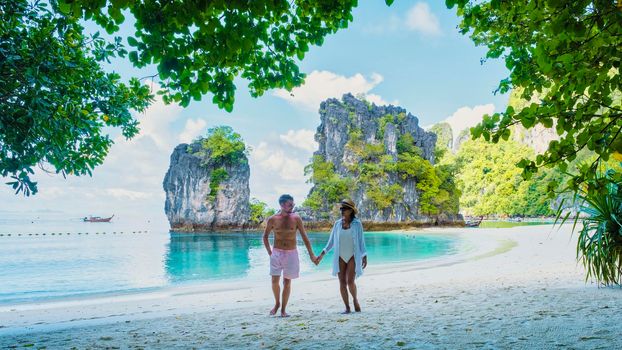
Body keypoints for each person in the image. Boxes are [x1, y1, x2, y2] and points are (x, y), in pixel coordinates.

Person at [263, 194, 317, 317]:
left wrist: (312, 255)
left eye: (293, 204)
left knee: (287, 282)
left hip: (291, 253)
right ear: (282, 205)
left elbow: (305, 237)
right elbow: (265, 237)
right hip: (276, 253)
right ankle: (277, 303)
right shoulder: (273, 219)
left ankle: (283, 309)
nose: (292, 207)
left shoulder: (296, 218)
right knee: (274, 280)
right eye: (290, 205)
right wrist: (270, 253)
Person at [315, 199, 367, 313]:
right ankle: (347, 307)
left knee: (350, 281)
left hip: (353, 255)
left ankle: (355, 300)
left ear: (351, 210)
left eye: (345, 209)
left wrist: (364, 255)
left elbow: (361, 241)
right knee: (342, 282)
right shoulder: (337, 224)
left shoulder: (357, 224)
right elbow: (331, 242)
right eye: (341, 208)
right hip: (340, 256)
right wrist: (322, 254)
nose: (342, 210)